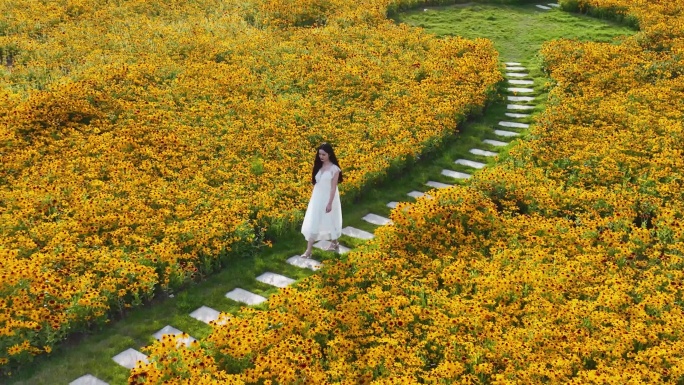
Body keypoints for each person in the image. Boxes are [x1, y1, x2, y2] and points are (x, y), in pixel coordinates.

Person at [300, 142, 343, 258]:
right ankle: (309, 250)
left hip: (329, 198)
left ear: (329, 154)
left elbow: (333, 188)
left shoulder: (335, 169)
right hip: (317, 198)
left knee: (331, 220)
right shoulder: (319, 166)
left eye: (323, 154)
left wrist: (329, 203)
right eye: (319, 154)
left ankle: (334, 243)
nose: (321, 157)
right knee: (315, 220)